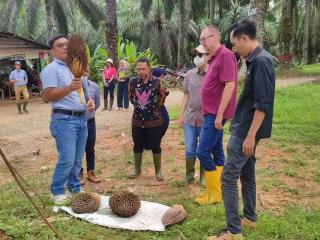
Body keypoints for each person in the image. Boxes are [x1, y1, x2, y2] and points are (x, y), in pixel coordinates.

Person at [210, 20, 275, 240]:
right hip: (244, 127)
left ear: (244, 38)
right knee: (247, 173)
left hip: (247, 131)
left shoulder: (262, 62)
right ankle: (250, 217)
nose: (234, 49)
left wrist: (250, 135)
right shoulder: (256, 61)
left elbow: (262, 103)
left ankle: (234, 232)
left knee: (228, 178)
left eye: (235, 43)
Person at [40, 34, 94, 204]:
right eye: (60, 45)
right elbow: (47, 95)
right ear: (52, 51)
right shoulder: (51, 69)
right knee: (67, 158)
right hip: (64, 119)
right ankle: (56, 191)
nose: (64, 47)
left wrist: (89, 101)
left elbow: (84, 93)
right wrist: (69, 87)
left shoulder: (75, 67)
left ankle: (74, 188)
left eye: (66, 44)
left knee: (77, 158)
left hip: (81, 118)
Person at [195, 25, 237, 205]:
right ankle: (217, 192)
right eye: (200, 40)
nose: (202, 43)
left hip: (215, 114)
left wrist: (219, 115)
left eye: (204, 39)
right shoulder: (214, 58)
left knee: (202, 151)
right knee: (217, 150)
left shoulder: (226, 55)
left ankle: (214, 192)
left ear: (215, 37)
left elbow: (230, 85)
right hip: (210, 112)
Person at [128, 58, 167, 181]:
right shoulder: (132, 82)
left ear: (149, 69)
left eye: (143, 69)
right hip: (138, 120)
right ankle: (137, 170)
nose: (140, 71)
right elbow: (131, 98)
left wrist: (153, 110)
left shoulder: (157, 82)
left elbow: (162, 98)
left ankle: (158, 172)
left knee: (156, 145)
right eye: (138, 69)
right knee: (137, 145)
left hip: (154, 120)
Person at [179, 45, 208, 186]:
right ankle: (189, 175)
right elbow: (186, 95)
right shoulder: (189, 74)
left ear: (208, 56)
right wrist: (181, 115)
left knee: (203, 148)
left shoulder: (213, 74)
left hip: (206, 119)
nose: (198, 57)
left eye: (201, 54)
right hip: (190, 118)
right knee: (190, 148)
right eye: (196, 54)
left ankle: (203, 176)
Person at [80, 65, 101, 184]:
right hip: (78, 121)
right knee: (78, 149)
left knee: (90, 148)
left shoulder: (94, 86)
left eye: (87, 71)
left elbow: (97, 104)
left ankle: (91, 172)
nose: (84, 74)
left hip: (90, 121)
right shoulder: (74, 88)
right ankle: (79, 173)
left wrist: (90, 113)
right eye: (82, 72)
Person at [152, 67, 170, 138]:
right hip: (156, 107)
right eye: (162, 76)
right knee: (163, 121)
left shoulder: (160, 84)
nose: (163, 78)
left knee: (165, 121)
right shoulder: (153, 84)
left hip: (161, 106)